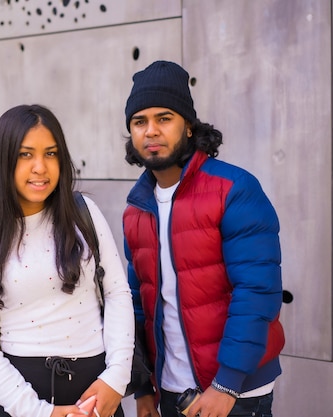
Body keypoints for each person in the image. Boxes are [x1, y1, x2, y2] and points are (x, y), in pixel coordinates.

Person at [121, 60, 285, 417]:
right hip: (170, 391)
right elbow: (137, 305)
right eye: (139, 121)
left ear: (189, 127)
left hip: (237, 394)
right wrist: (142, 387)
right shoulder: (136, 210)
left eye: (164, 118)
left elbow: (257, 293)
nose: (151, 131)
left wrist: (227, 384)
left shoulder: (234, 189)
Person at [0, 104, 134, 417]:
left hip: (96, 387)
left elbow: (117, 292)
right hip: (22, 393)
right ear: (4, 161)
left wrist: (116, 379)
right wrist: (39, 412)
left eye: (50, 153)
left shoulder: (84, 213)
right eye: (26, 154)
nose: (41, 167)